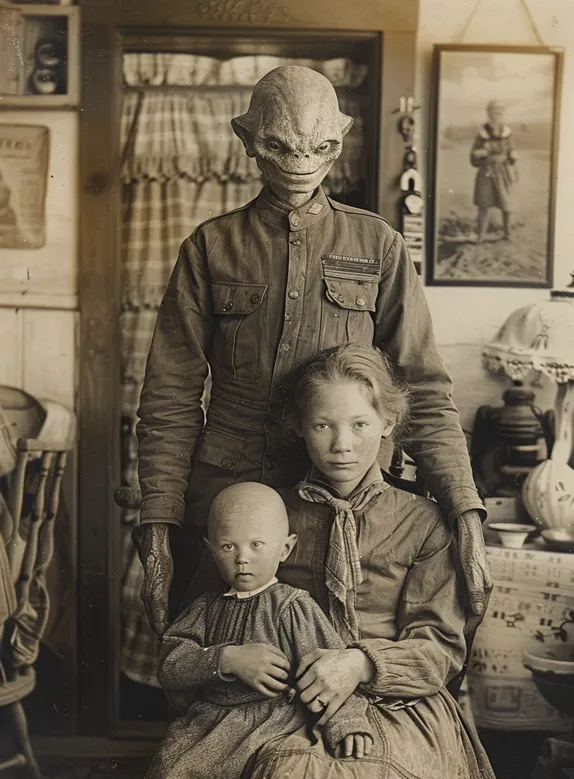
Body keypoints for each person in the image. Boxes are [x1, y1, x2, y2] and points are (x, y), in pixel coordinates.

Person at [183, 345, 521, 779]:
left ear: (388, 424)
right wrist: (237, 657)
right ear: (300, 430)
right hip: (285, 700)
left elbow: (439, 648)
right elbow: (210, 616)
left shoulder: (421, 522)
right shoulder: (265, 516)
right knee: (284, 777)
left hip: (401, 705)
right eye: (323, 426)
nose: (342, 445)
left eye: (361, 425)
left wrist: (361, 663)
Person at [133, 64, 491, 643]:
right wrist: (158, 523)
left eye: (319, 147)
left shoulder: (379, 245)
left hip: (344, 497)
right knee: (218, 664)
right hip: (228, 495)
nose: (300, 165)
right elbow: (170, 397)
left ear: (340, 139)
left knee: (335, 663)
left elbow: (422, 389)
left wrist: (465, 510)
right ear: (246, 139)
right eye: (278, 146)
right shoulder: (210, 246)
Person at [136, 482, 374, 779]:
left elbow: (330, 667)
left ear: (286, 548)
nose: (242, 557)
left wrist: (349, 723)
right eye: (228, 546)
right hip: (209, 720)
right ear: (211, 549)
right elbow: (170, 666)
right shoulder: (205, 607)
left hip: (270, 720)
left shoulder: (293, 607)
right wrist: (225, 658)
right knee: (170, 769)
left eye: (256, 545)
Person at [470, 100, 518, 243]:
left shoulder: (507, 133)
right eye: (493, 113)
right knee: (483, 204)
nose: (495, 116)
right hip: (487, 171)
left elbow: (511, 151)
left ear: (502, 115)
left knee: (507, 204)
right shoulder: (482, 134)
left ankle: (507, 233)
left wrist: (513, 156)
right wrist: (480, 153)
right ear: (488, 114)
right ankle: (480, 235)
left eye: (498, 113)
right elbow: (473, 155)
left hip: (503, 172)